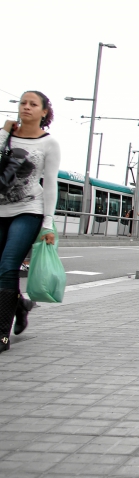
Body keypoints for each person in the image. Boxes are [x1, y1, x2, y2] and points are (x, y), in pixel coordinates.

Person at [0, 91, 60, 353]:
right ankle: (21, 305)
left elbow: (50, 184)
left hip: (29, 209)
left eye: (33, 104)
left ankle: (2, 334)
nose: (26, 107)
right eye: (23, 103)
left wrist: (48, 223)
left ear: (44, 111)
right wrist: (4, 133)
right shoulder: (5, 136)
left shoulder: (49, 144)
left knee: (7, 265)